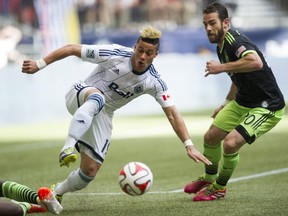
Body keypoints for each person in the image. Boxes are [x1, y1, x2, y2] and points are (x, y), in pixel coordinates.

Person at [22, 26, 212, 203]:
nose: (142, 56)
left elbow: (172, 113)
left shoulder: (154, 81)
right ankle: (68, 148)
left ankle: (56, 193)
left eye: (149, 53)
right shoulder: (114, 53)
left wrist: (189, 145)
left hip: (103, 114)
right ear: (135, 46)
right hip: (80, 94)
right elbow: (72, 48)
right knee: (98, 98)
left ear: (156, 55)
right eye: (140, 50)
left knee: (89, 172)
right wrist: (40, 64)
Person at [184, 2, 286, 201]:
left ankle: (219, 187)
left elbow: (255, 62)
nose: (208, 28)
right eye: (205, 24)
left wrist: (219, 68)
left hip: (267, 106)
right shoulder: (221, 46)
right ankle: (208, 178)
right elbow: (237, 78)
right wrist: (224, 104)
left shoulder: (234, 41)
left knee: (230, 144)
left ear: (226, 23)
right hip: (242, 101)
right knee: (211, 137)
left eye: (212, 23)